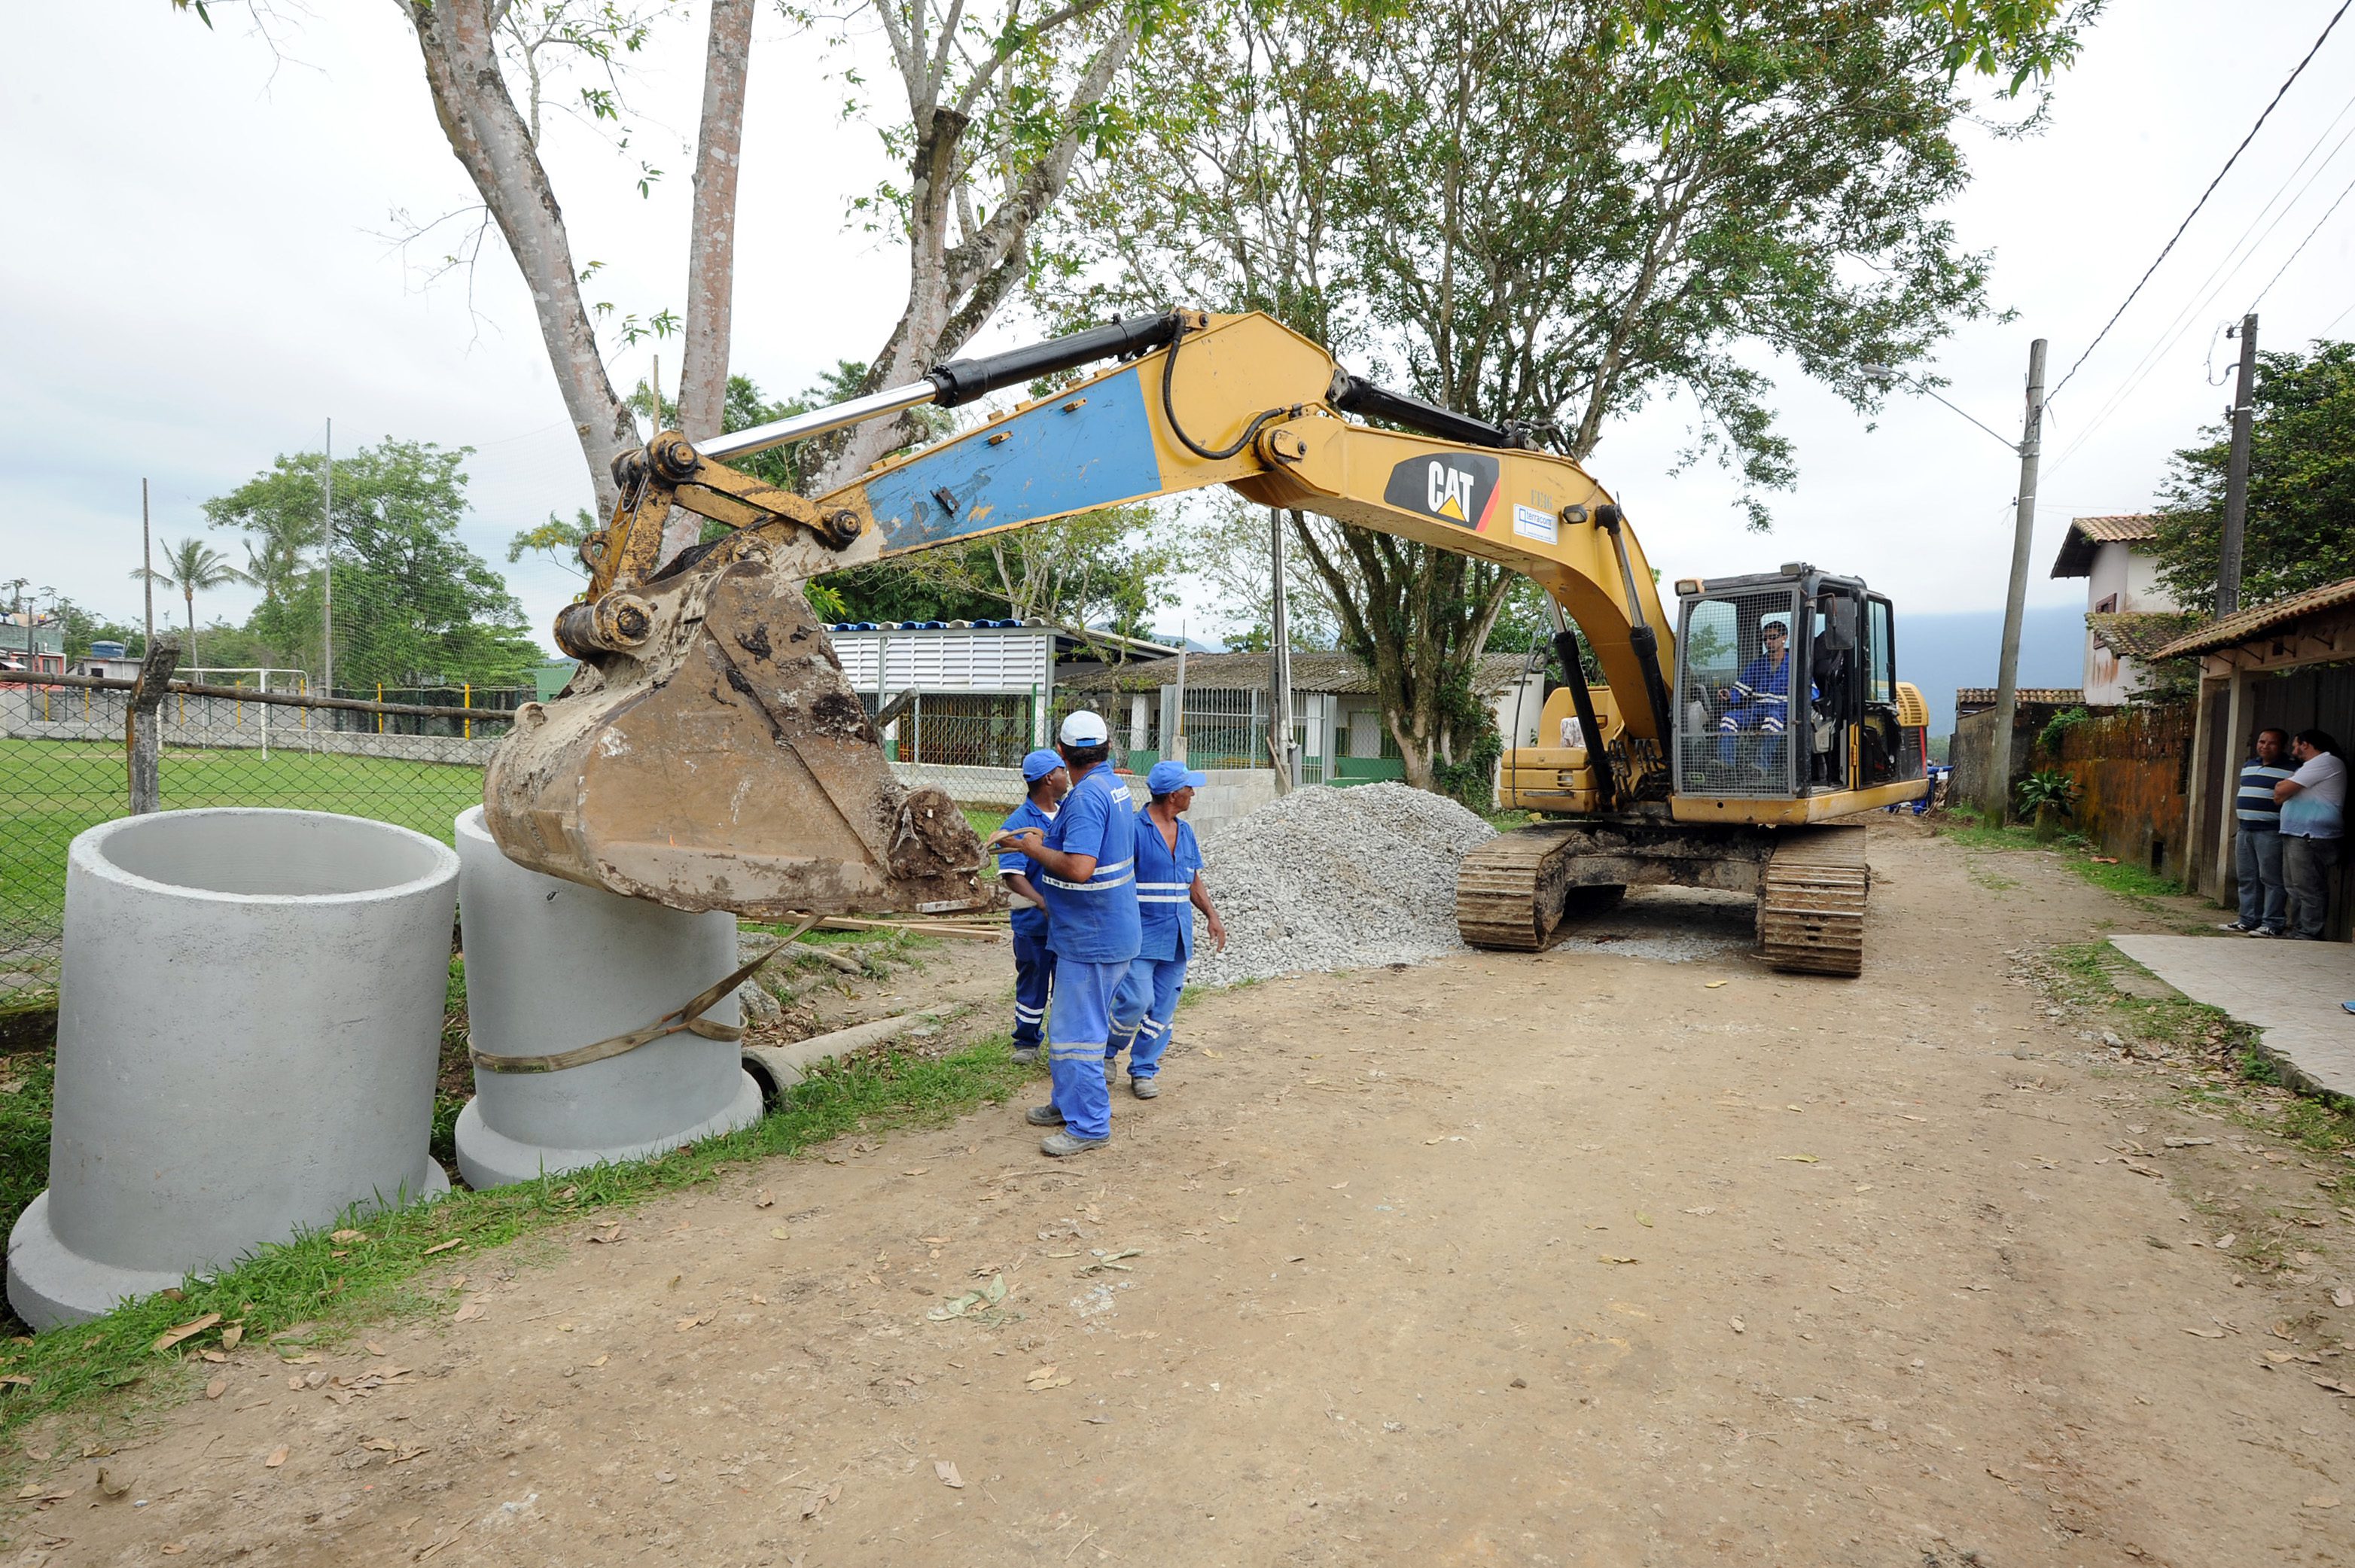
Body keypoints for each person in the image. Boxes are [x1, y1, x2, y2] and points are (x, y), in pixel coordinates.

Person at [990, 711, 1138, 1157]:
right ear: (1108, 748)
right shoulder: (1111, 786)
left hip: (1091, 936)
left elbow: (1079, 867)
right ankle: (1066, 1102)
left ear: (1062, 753)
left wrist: (1034, 847)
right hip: (1102, 929)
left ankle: (1090, 1125)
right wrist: (1029, 840)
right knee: (1070, 1024)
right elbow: (1075, 839)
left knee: (1078, 1031)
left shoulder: (1088, 796)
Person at [1105, 761, 1228, 1099]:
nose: (1193, 793)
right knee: (1135, 1001)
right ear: (1173, 795)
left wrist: (1211, 915)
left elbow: (1193, 880)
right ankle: (1108, 1050)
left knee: (1162, 1009)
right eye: (1189, 788)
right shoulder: (1132, 829)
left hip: (1176, 938)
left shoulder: (1185, 832)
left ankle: (1144, 1069)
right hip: (1140, 936)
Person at [996, 748, 1071, 1064]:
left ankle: (1064, 1042)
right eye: (1062, 770)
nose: (1067, 775)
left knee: (1067, 986)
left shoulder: (1070, 811)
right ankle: (1026, 1042)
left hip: (1067, 923)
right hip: (1033, 925)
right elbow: (1013, 876)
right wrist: (1042, 904)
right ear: (1048, 778)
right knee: (1033, 980)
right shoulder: (1019, 823)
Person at [2274, 729, 2346, 941]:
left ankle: (2309, 932)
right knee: (2293, 885)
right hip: (2296, 831)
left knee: (2307, 886)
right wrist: (2283, 789)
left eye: (2296, 745)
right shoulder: (2309, 767)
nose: (2294, 750)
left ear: (2305, 744)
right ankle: (2297, 929)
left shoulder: (2325, 762)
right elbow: (2279, 794)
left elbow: (2281, 790)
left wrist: (2283, 788)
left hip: (2310, 833)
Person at [2220, 728, 2293, 936]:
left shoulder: (2292, 769)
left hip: (2270, 831)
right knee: (2247, 877)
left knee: (2271, 878)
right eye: (2262, 742)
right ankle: (2247, 920)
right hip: (2245, 829)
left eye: (2271, 743)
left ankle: (2272, 923)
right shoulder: (2249, 766)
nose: (2265, 746)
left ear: (2282, 747)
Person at [1717, 619, 1797, 769]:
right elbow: (1740, 690)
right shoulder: (1757, 665)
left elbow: (1811, 691)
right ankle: (1725, 765)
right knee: (1729, 718)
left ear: (1784, 638)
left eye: (1773, 637)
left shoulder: (1795, 665)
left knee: (1772, 719)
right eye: (1765, 638)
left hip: (1783, 712)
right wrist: (1728, 694)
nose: (1768, 641)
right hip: (1757, 711)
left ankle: (1761, 767)